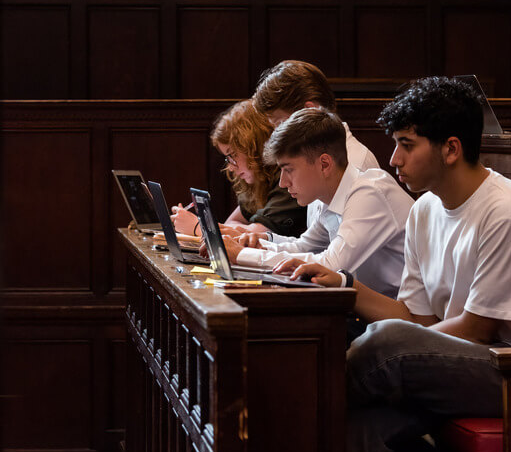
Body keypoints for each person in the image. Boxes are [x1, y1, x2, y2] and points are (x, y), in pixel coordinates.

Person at [290, 77, 511, 452]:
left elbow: (478, 329)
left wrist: (394, 340)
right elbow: (418, 319)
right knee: (357, 426)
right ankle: (304, 395)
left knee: (384, 342)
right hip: (462, 360)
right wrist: (344, 286)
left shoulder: (508, 211)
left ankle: (296, 395)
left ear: (451, 149)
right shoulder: (425, 209)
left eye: (406, 145)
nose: (393, 159)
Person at [220, 107, 412, 300]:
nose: (283, 183)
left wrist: (244, 256)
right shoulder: (326, 195)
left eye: (289, 170)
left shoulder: (369, 191)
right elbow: (304, 246)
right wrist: (260, 243)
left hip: (404, 316)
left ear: (324, 164)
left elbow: (330, 265)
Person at [170, 99, 307, 239]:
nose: (230, 167)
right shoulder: (260, 181)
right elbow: (233, 222)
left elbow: (257, 234)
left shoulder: (287, 178)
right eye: (227, 158)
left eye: (232, 155)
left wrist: (199, 227)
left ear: (254, 148)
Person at [253, 59, 380, 170]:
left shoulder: (353, 164)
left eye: (281, 124)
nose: (276, 133)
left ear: (310, 110)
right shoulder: (312, 158)